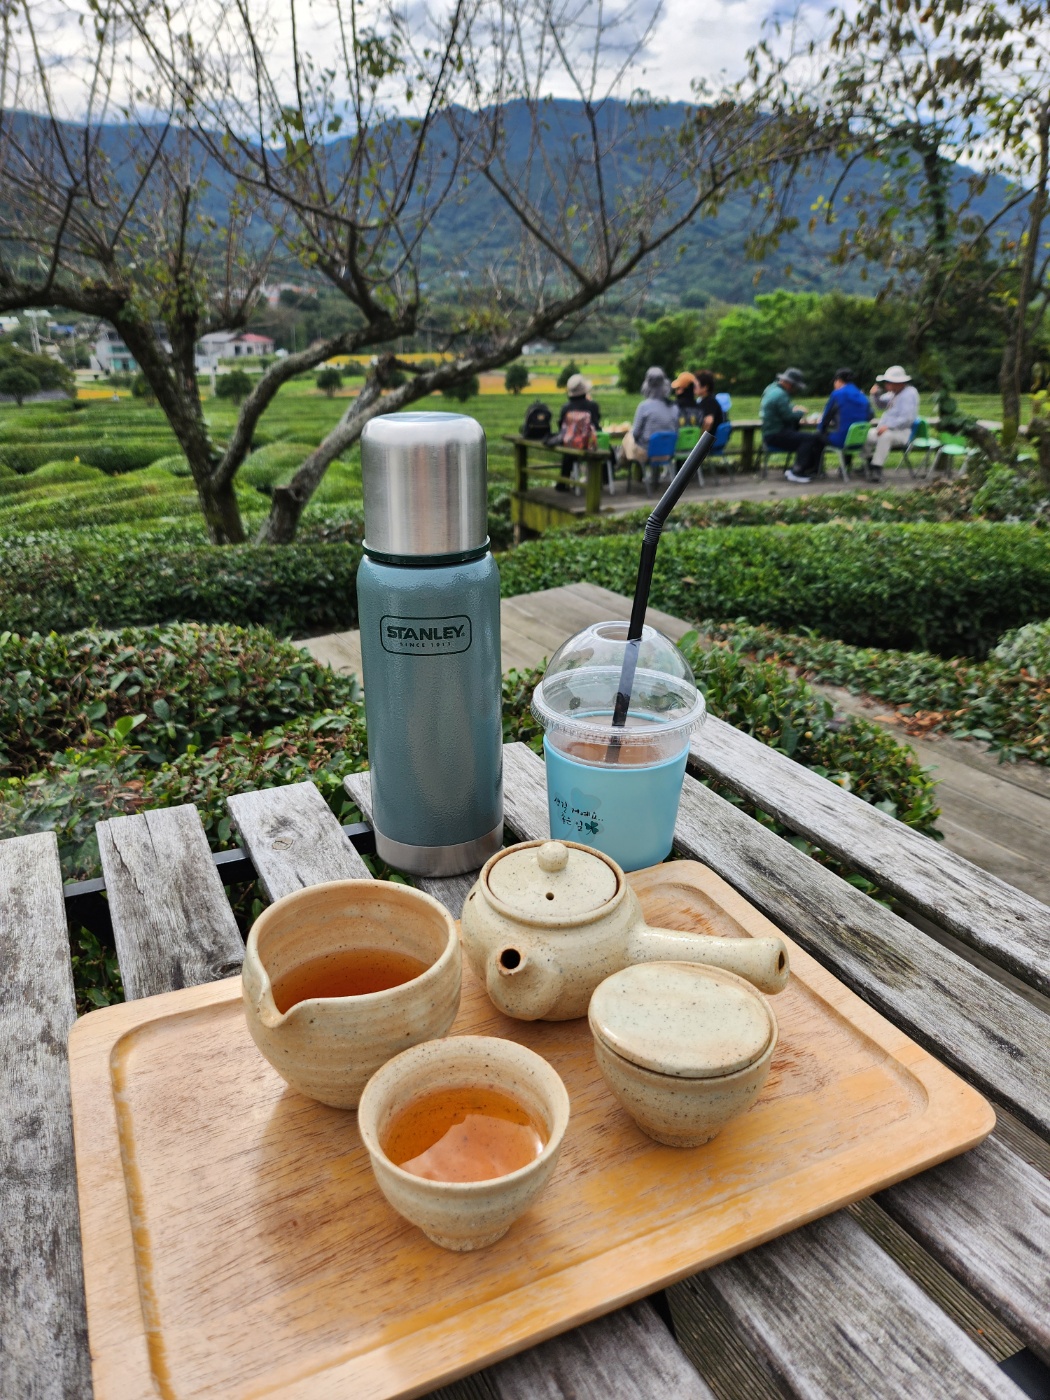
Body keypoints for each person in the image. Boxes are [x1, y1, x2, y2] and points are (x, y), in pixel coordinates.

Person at [760, 367, 823, 481]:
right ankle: (797, 471)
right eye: (795, 386)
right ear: (789, 384)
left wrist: (793, 409)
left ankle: (805, 469)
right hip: (776, 433)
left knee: (809, 438)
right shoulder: (781, 395)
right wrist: (800, 412)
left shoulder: (771, 388)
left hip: (769, 432)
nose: (795, 389)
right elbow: (788, 416)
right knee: (809, 439)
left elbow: (784, 409)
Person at [862, 365, 920, 482]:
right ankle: (868, 463)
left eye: (888, 382)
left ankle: (877, 468)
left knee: (885, 436)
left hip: (902, 432)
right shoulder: (893, 393)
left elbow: (907, 418)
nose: (886, 385)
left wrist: (888, 427)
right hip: (885, 429)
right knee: (865, 435)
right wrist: (875, 395)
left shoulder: (909, 394)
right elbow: (880, 405)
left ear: (898, 383)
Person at [618, 366, 679, 473]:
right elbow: (676, 430)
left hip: (647, 453)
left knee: (628, 437)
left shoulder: (644, 406)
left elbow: (636, 433)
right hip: (668, 452)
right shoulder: (673, 406)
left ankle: (620, 464)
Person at [557, 373, 601, 489]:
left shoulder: (566, 408)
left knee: (568, 453)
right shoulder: (592, 406)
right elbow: (596, 426)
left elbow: (561, 427)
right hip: (589, 445)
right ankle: (603, 480)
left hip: (570, 446)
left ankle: (563, 482)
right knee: (607, 450)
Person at [819, 368, 871, 466]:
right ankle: (846, 465)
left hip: (842, 440)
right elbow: (870, 416)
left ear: (839, 380)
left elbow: (826, 418)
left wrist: (820, 429)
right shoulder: (862, 395)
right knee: (846, 431)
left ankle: (816, 469)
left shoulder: (837, 394)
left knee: (816, 438)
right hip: (859, 441)